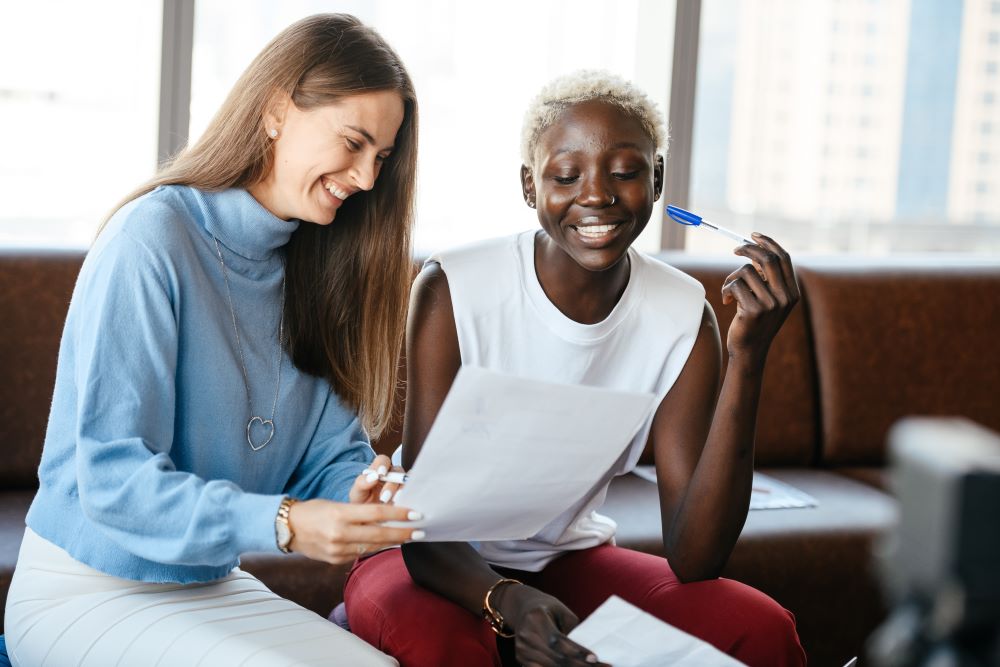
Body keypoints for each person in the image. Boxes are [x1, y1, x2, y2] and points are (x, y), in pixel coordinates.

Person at [343, 71, 808, 667]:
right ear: (530, 186)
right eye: (566, 176)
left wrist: (750, 356)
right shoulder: (452, 288)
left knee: (758, 630)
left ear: (657, 178)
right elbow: (426, 529)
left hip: (563, 560)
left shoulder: (684, 314)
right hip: (423, 557)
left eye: (625, 172)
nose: (597, 196)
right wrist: (508, 601)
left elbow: (696, 558)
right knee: (448, 650)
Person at [3, 14, 423, 667]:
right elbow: (113, 479)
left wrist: (367, 494)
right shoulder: (153, 239)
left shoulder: (323, 268)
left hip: (205, 583)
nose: (367, 178)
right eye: (353, 142)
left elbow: (329, 460)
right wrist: (285, 522)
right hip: (83, 586)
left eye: (382, 157)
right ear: (279, 109)